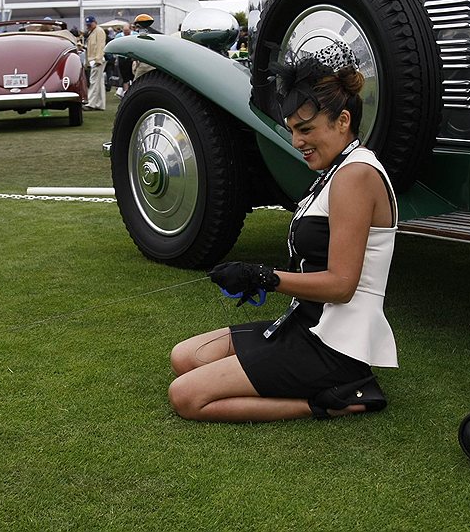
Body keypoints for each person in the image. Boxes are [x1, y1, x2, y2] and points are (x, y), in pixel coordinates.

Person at [168, 41, 398, 423]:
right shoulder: (336, 171)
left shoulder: (355, 175)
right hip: (303, 324)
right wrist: (256, 277)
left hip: (332, 345)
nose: (297, 142)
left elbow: (342, 284)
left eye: (306, 129)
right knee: (185, 357)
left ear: (342, 121)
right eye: (292, 130)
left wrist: (264, 277)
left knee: (186, 396)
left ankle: (331, 400)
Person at [82, 15, 106, 111]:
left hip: (96, 60)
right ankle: (100, 104)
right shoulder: (92, 32)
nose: (88, 26)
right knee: (99, 82)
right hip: (93, 60)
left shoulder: (99, 31)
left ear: (94, 22)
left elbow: (100, 46)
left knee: (94, 81)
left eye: (90, 24)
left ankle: (91, 103)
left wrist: (98, 59)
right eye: (87, 24)